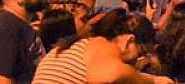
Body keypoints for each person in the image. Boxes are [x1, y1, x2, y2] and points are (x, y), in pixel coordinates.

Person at [31, 8, 169, 84]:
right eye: (140, 53)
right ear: (129, 41)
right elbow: (110, 75)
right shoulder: (103, 46)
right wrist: (152, 81)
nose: (136, 60)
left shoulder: (80, 46)